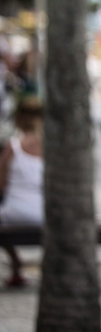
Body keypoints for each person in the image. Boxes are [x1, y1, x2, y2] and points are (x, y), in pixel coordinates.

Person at [0, 97, 44, 288]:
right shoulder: (52, 147)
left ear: (18, 118)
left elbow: (1, 184)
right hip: (44, 214)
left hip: (13, 212)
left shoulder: (13, 146)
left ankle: (16, 266)